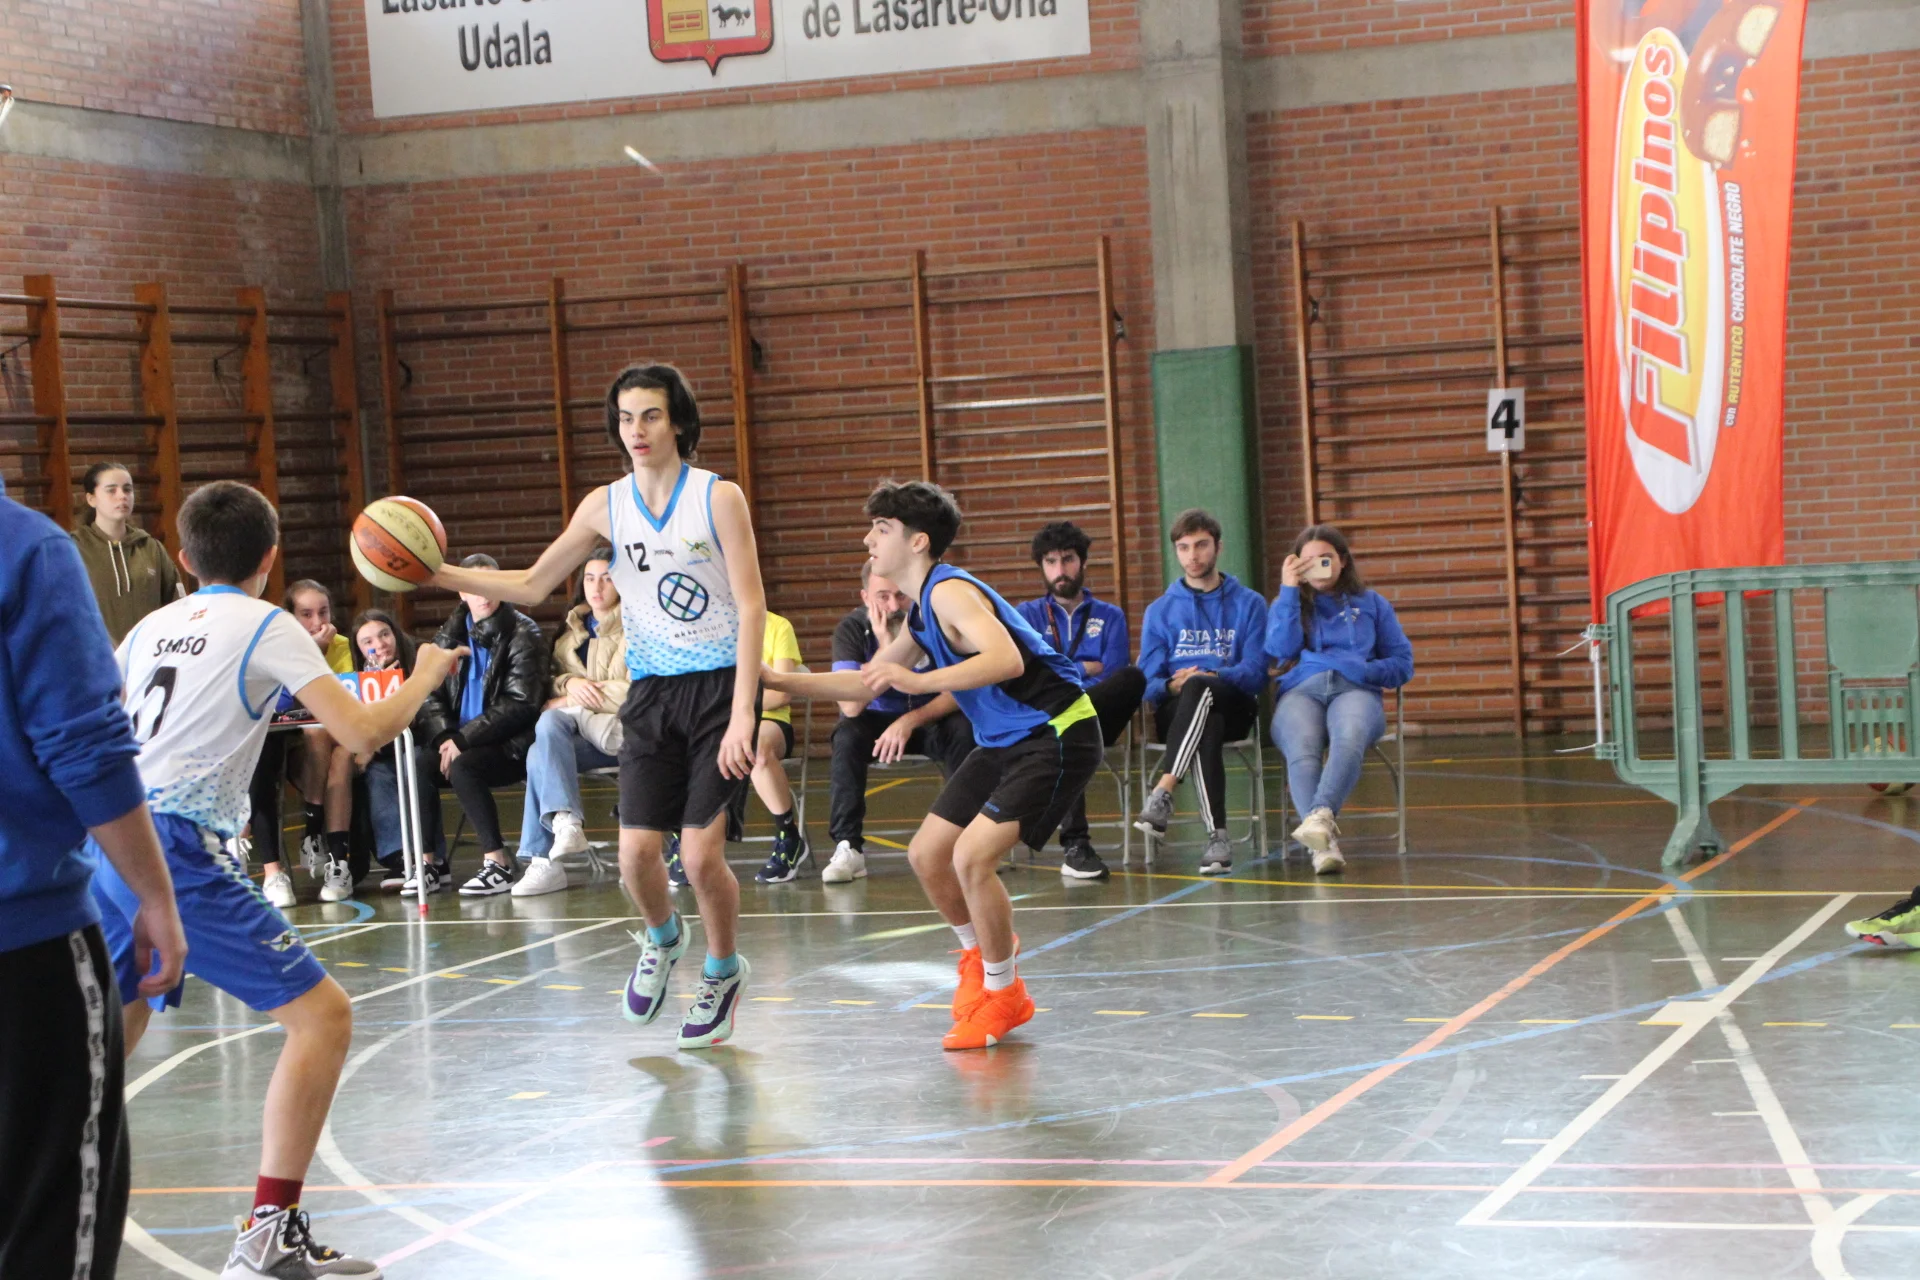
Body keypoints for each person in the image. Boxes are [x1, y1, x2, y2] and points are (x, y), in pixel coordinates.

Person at [90, 479, 459, 1278]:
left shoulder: (149, 627)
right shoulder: (268, 624)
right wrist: (426, 675)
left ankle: (36, 1200)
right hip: (173, 847)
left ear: (183, 559)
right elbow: (360, 732)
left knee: (109, 1042)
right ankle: (268, 1231)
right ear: (270, 557)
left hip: (109, 838)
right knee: (323, 1019)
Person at [427, 362, 766, 1051]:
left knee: (700, 856)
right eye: (625, 417)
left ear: (678, 422)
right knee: (636, 857)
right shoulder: (604, 506)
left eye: (650, 415)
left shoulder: (718, 497)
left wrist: (742, 714)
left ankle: (723, 969)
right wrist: (435, 572)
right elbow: (532, 583)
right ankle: (663, 937)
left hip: (719, 687)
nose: (636, 429)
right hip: (652, 694)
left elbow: (752, 605)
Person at [766, 481, 1100, 1051]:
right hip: (1005, 739)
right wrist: (775, 680)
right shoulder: (922, 612)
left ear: (918, 541)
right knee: (927, 854)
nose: (868, 539)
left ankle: (1005, 992)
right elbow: (864, 683)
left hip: (1056, 731)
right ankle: (979, 956)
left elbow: (1006, 659)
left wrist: (919, 682)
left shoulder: (950, 592)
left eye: (882, 529)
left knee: (972, 857)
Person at [1, 475, 185, 1280]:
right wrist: (153, 892)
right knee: (50, 1232)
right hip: (23, 941)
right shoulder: (27, 549)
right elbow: (84, 744)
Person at [1267, 525, 1414, 875]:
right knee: (1302, 746)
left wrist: (1365, 669)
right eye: (1308, 561)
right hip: (1302, 689)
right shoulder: (1288, 602)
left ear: (1343, 561)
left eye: (1326, 558)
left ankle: (1320, 818)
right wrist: (1289, 591)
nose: (1318, 566)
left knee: (1349, 736)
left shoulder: (1372, 603)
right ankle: (1324, 846)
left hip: (1356, 689)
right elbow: (1279, 651)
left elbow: (1402, 663)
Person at [1133, 509, 1268, 876]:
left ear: (1218, 547)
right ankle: (1217, 840)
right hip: (1178, 711)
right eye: (1184, 547)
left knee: (1201, 687)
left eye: (1201, 545)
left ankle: (1164, 788)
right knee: (1205, 720)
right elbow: (1147, 682)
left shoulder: (1250, 604)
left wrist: (1213, 675)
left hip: (1235, 702)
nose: (1193, 555)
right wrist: (1170, 685)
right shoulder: (1160, 611)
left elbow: (1257, 673)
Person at [820, 564, 974, 883]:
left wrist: (909, 720)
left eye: (901, 596)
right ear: (865, 598)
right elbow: (850, 706)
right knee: (846, 735)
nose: (893, 606)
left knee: (964, 728)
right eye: (883, 597)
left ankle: (965, 841)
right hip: (875, 721)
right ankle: (849, 846)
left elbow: (962, 689)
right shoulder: (851, 629)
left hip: (929, 715)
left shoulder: (934, 621)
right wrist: (887, 649)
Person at [412, 554, 548, 897]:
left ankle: (497, 863)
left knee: (464, 766)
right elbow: (429, 694)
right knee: (419, 764)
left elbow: (521, 703)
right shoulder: (448, 635)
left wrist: (463, 739)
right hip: (458, 741)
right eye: (474, 586)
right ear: (461, 592)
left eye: (490, 585)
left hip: (511, 745)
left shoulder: (523, 632)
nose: (483, 593)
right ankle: (430, 864)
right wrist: (446, 736)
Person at [1017, 520, 1145, 881]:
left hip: (1099, 717)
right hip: (1049, 721)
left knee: (1133, 678)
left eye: (1068, 559)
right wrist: (1085, 667)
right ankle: (1076, 847)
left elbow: (1114, 673)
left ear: (1083, 562)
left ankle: (1075, 845)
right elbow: (1028, 676)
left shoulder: (1110, 616)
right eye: (1051, 562)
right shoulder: (1026, 616)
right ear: (1041, 567)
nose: (1060, 570)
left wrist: (1060, 674)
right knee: (1067, 730)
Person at [512, 549, 629, 898]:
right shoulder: (568, 636)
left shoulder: (638, 628)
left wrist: (572, 697)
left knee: (542, 747)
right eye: (590, 578)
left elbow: (638, 692)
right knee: (542, 744)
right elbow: (549, 686)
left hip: (624, 735)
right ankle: (563, 827)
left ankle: (545, 857)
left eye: (607, 578)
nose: (597, 587)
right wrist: (570, 684)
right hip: (578, 736)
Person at [249, 580, 358, 908]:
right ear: (291, 617)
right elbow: (282, 702)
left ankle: (332, 857)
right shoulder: (276, 650)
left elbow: (341, 700)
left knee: (335, 750)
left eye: (323, 612)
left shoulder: (342, 645)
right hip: (292, 749)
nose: (317, 622)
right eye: (307, 614)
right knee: (312, 734)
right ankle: (310, 836)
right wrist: (310, 652)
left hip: (337, 743)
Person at [351, 608, 450, 889]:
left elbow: (432, 715)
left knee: (413, 764)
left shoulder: (420, 658)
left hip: (427, 744)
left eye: (384, 634)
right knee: (377, 772)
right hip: (387, 751)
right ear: (360, 650)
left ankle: (434, 859)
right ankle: (399, 858)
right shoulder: (362, 677)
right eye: (368, 641)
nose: (380, 644)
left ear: (395, 633)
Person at [71, 459, 182, 646]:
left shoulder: (151, 547)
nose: (122, 496)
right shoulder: (74, 548)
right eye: (111, 490)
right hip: (96, 658)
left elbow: (177, 604)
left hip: (149, 655)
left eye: (127, 490)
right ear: (91, 499)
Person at [744, 610, 811, 884]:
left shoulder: (778, 626)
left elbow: (782, 693)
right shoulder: (708, 627)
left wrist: (738, 709)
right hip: (719, 725)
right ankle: (683, 843)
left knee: (756, 747)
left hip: (769, 721)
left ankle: (788, 836)